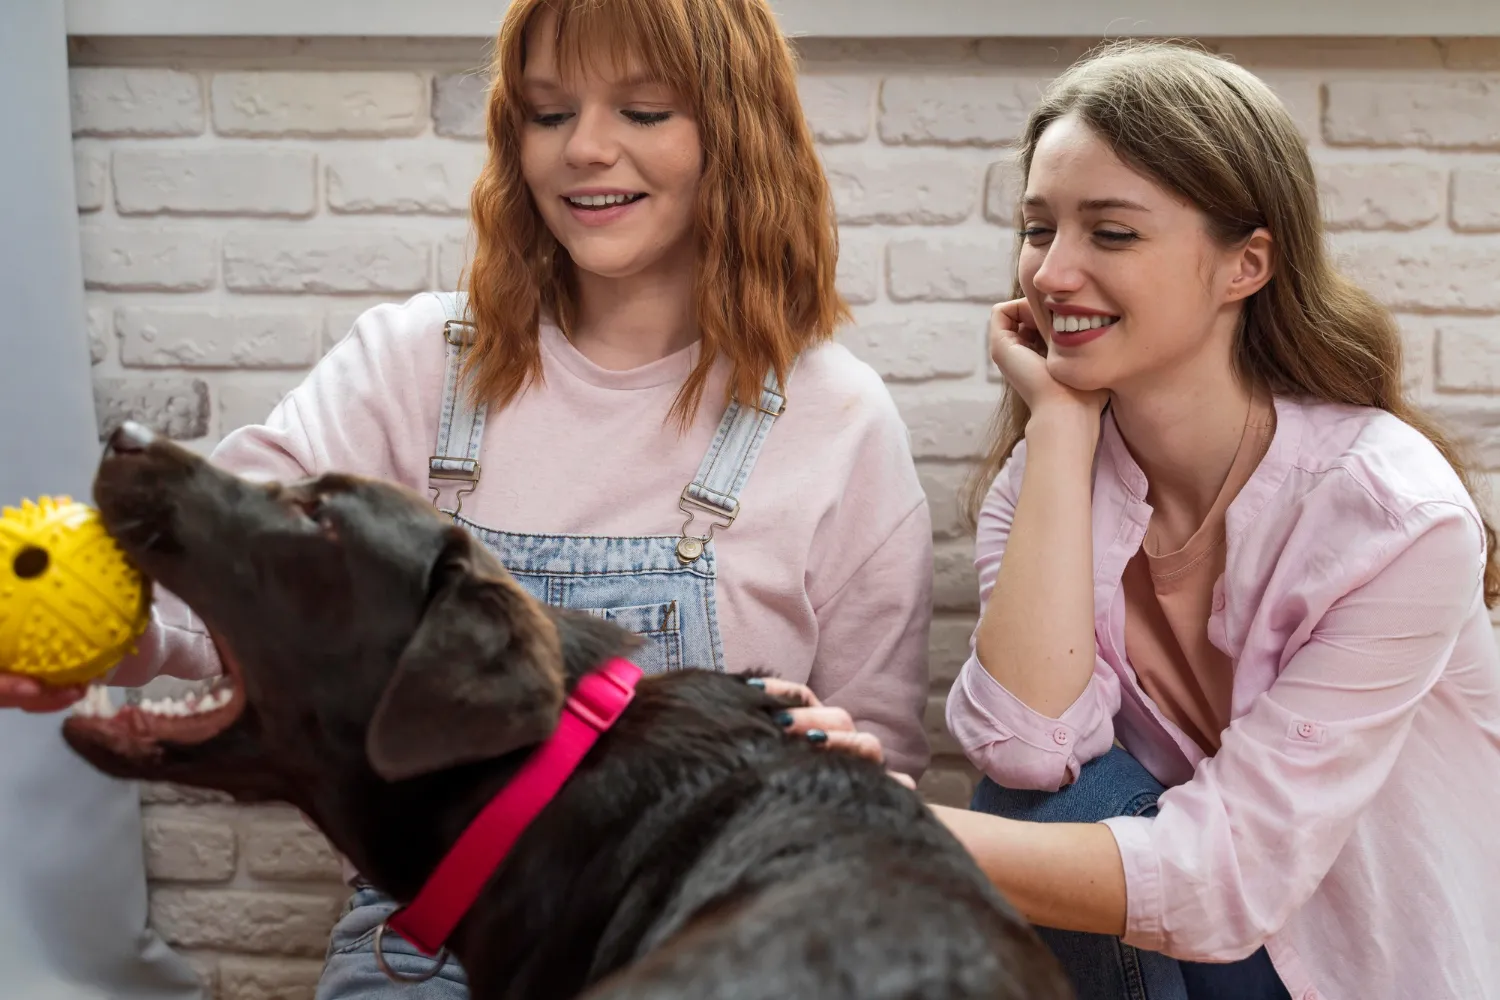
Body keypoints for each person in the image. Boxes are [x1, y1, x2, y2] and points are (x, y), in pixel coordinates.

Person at [0, 0, 934, 996]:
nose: (586, 148)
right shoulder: (410, 365)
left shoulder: (839, 418)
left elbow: (888, 772)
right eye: (547, 112)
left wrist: (847, 766)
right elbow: (219, 582)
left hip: (705, 939)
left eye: (645, 111)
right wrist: (101, 641)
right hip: (428, 944)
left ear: (735, 132)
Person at [805, 39, 1500, 1000]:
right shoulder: (1050, 475)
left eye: (1113, 234)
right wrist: (1057, 425)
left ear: (1245, 264)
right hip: (1189, 958)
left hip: (1355, 969)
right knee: (1044, 794)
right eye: (1039, 229)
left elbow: (1229, 876)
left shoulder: (1393, 516)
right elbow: (1023, 753)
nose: (1053, 273)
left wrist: (882, 825)